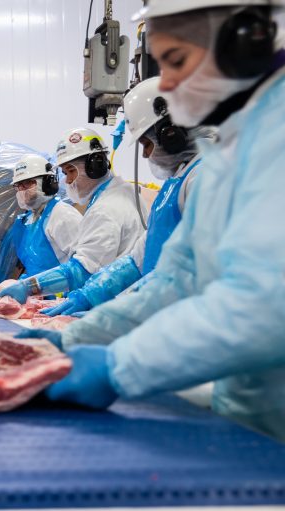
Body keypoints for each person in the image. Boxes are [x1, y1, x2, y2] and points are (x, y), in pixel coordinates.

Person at [24, 1, 285, 442]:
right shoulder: (231, 151)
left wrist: (118, 366)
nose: (168, 84)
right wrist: (80, 336)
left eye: (177, 60)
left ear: (247, 40)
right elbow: (175, 279)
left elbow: (262, 307)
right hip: (246, 418)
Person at [42, 77, 213, 316]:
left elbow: (198, 266)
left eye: (146, 144)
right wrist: (90, 294)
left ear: (171, 135)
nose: (145, 155)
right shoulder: (176, 182)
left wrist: (126, 310)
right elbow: (139, 258)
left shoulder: (207, 178)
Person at [0, 127, 146, 302]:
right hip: (123, 296)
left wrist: (30, 287)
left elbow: (84, 268)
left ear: (95, 165)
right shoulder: (125, 192)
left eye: (71, 171)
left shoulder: (101, 209)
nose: (67, 180)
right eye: (65, 173)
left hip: (117, 300)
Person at [5, 154, 82, 279]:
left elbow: (85, 263)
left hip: (65, 289)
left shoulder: (62, 214)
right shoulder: (27, 220)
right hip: (39, 289)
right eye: (19, 185)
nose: (22, 190)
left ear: (47, 183)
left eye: (28, 183)